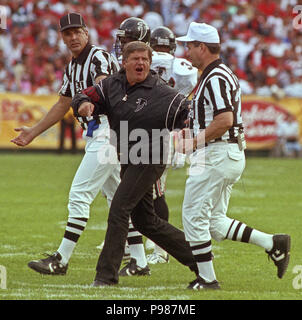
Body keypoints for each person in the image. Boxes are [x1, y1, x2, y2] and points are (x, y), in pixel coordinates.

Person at [71, 41, 198, 287]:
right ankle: (199, 258)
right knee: (145, 222)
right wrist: (82, 105)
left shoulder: (161, 92)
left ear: (150, 64)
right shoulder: (111, 86)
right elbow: (83, 95)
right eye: (136, 59)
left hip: (151, 158)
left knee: (119, 208)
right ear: (125, 62)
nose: (141, 63)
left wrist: (189, 132)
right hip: (127, 158)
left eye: (145, 59)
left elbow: (186, 112)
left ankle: (106, 276)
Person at [175, 22, 291, 290]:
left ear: (202, 47)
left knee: (193, 217)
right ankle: (273, 243)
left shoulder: (214, 77)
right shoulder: (220, 73)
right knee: (214, 223)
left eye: (190, 45)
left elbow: (225, 119)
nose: (186, 51)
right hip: (226, 153)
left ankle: (207, 279)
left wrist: (194, 141)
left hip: (217, 153)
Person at [11, 13, 121, 275]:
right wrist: (33, 132)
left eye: (76, 32)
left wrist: (88, 101)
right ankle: (139, 261)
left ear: (86, 31)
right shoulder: (73, 66)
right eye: (67, 34)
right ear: (61, 37)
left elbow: (103, 85)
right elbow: (62, 103)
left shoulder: (98, 56)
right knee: (119, 198)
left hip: (109, 132)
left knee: (80, 194)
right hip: (101, 133)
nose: (72, 37)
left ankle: (61, 259)